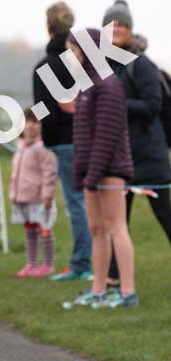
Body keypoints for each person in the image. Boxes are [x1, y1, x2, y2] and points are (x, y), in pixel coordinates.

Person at [63, 29, 137, 309]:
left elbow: (105, 137)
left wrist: (92, 174)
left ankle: (128, 292)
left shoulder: (107, 85)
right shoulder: (86, 86)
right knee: (97, 229)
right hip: (92, 173)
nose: (70, 56)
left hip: (110, 170)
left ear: (87, 51)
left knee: (116, 227)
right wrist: (80, 173)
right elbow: (83, 136)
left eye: (74, 50)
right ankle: (99, 289)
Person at [103, 2, 171, 289]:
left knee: (166, 217)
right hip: (121, 157)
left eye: (121, 25)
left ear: (130, 30)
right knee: (118, 222)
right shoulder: (104, 66)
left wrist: (116, 103)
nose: (116, 30)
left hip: (149, 156)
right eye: (112, 26)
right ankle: (114, 276)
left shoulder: (141, 65)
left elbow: (152, 105)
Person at [34, 2, 94, 281]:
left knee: (76, 203)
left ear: (48, 27)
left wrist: (48, 138)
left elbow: (44, 111)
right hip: (88, 137)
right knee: (87, 201)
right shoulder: (82, 62)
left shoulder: (44, 67)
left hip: (63, 141)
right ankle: (90, 260)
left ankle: (82, 263)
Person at [10, 109, 58, 278]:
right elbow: (15, 175)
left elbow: (49, 174)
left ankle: (48, 264)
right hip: (23, 199)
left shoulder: (43, 149)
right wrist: (13, 195)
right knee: (29, 231)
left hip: (39, 199)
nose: (30, 126)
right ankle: (31, 265)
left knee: (44, 230)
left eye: (35, 122)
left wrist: (47, 196)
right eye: (27, 122)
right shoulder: (19, 148)